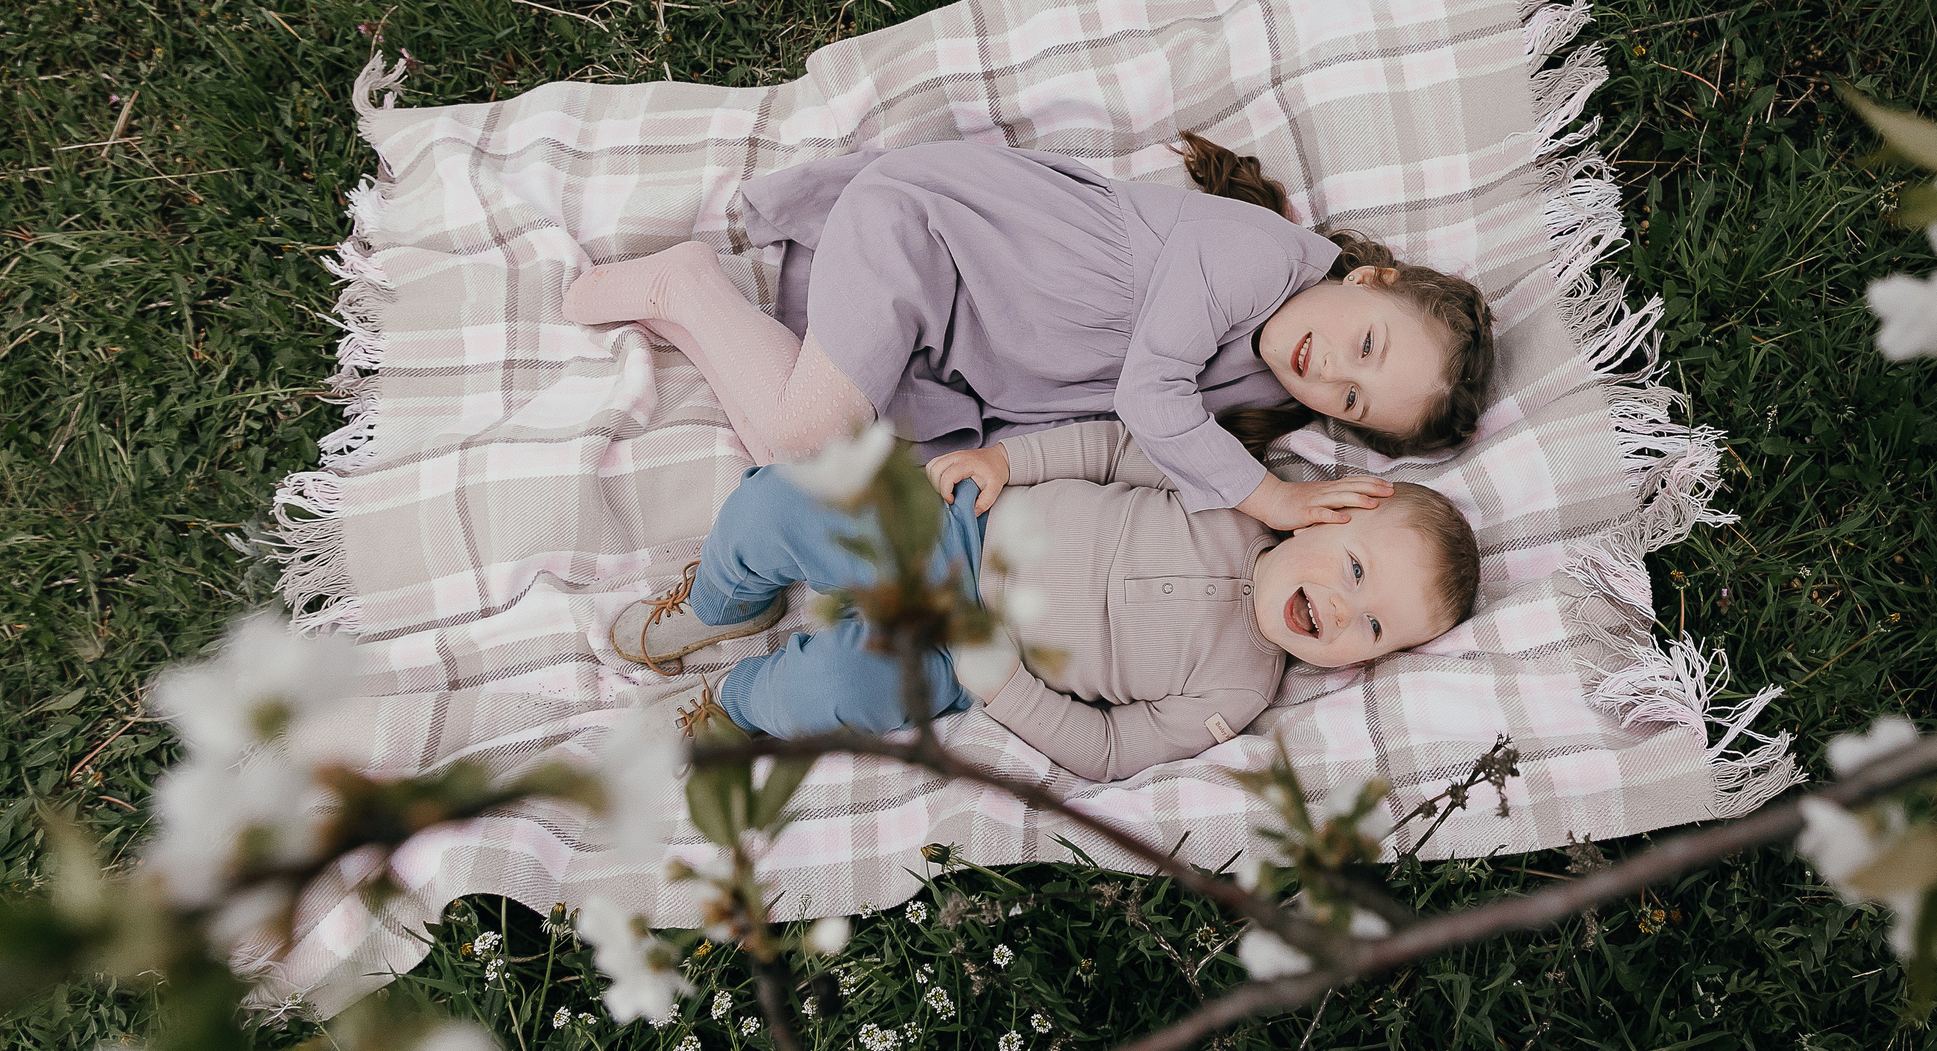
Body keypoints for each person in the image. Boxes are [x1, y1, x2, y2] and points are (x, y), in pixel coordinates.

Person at [561, 134, 1495, 533]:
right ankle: (687, 281)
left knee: (801, 464)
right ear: (1367, 276)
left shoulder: (1268, 383)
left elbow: (1130, 443)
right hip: (928, 238)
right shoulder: (1259, 255)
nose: (1330, 371)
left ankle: (686, 314)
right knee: (807, 434)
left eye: (1352, 400)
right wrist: (1272, 502)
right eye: (1365, 344)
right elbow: (1147, 397)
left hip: (957, 341)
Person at [614, 419, 1481, 784]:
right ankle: (729, 602)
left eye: (1372, 629)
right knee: (773, 507)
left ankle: (737, 699)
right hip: (955, 529)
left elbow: (1107, 747)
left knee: (833, 695)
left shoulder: (1238, 690)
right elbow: (1110, 448)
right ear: (1333, 509)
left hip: (958, 650)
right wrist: (1008, 464)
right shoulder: (1233, 492)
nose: (1338, 607)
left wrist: (1002, 683)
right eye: (1356, 571)